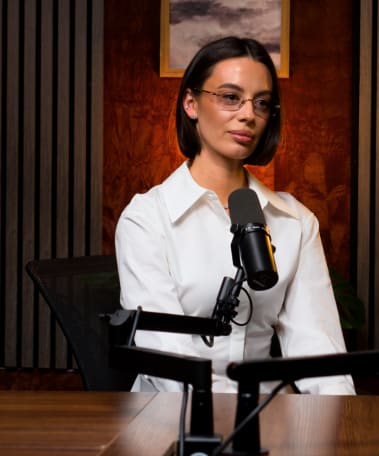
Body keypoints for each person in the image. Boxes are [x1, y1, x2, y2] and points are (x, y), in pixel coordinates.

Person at [115, 36, 356, 395]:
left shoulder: (294, 222)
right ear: (191, 103)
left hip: (263, 418)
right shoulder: (147, 219)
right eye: (230, 97)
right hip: (173, 422)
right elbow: (167, 362)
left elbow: (320, 355)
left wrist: (340, 435)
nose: (248, 114)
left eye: (262, 103)